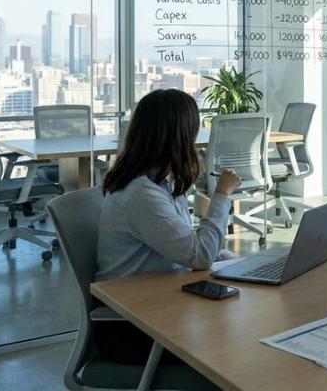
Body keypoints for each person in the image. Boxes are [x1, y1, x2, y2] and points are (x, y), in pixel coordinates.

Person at [96, 88, 241, 281]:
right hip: (132, 297)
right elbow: (201, 256)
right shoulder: (140, 193)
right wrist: (222, 195)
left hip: (161, 280)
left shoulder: (161, 178)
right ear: (182, 136)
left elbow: (189, 248)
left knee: (231, 263)